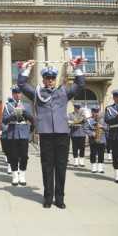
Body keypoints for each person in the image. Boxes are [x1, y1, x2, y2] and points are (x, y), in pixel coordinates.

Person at [17, 58, 85, 209]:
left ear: (55, 79)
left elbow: (80, 84)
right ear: (43, 79)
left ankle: (59, 198)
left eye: (52, 78)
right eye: (47, 78)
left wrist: (77, 68)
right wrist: (26, 69)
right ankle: (48, 197)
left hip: (62, 134)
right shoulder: (37, 93)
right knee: (47, 167)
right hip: (46, 134)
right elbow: (21, 85)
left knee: (61, 167)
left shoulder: (63, 91)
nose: (50, 81)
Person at [2, 85, 33, 186]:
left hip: (24, 132)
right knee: (13, 156)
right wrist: (12, 115)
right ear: (13, 94)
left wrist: (25, 113)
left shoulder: (27, 105)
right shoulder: (8, 106)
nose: (18, 95)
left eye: (19, 93)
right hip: (13, 133)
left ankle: (22, 174)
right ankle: (15, 175)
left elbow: (32, 119)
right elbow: (4, 120)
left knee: (24, 156)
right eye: (15, 93)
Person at [84, 108, 107, 173]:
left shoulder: (103, 120)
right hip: (93, 140)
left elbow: (107, 127)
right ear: (92, 113)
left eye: (97, 112)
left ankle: (100, 168)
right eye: (94, 112)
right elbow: (85, 129)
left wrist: (102, 126)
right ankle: (93, 167)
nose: (96, 114)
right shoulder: (89, 121)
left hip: (102, 139)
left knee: (101, 154)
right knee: (93, 153)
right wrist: (92, 133)